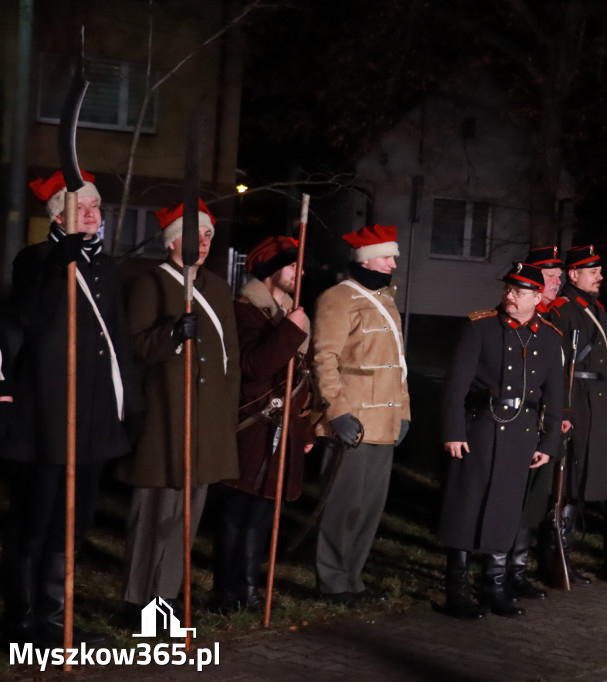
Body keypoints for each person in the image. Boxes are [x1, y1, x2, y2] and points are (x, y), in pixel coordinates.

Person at [1, 170, 143, 645]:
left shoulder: (104, 267)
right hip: (44, 420)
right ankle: (22, 619)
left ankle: (55, 617)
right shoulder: (35, 259)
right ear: (57, 214)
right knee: (34, 525)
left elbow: (115, 341)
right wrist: (55, 266)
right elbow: (25, 318)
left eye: (95, 208)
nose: (91, 215)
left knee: (74, 527)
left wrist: (130, 404)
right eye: (81, 208)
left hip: (92, 421)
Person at [119, 199, 241, 623]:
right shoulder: (151, 284)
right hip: (165, 417)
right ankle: (137, 601)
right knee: (154, 513)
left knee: (188, 516)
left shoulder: (217, 287)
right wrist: (170, 334)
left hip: (205, 420)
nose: (204, 243)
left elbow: (230, 359)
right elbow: (133, 348)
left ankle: (165, 599)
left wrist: (225, 414)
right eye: (195, 235)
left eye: (208, 235)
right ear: (173, 241)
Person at [438, 262, 563, 618]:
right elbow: (455, 387)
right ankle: (457, 590)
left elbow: (554, 398)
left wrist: (548, 444)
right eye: (508, 289)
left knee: (506, 512)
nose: (510, 296)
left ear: (537, 298)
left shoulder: (549, 337)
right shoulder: (480, 327)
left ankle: (494, 587)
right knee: (466, 508)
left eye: (519, 292)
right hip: (479, 429)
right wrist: (453, 432)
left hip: (521, 435)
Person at [212, 236, 315, 613]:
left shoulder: (289, 310)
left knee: (261, 514)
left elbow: (300, 380)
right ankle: (226, 591)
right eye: (292, 266)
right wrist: (290, 330)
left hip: (282, 427)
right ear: (272, 271)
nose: (299, 273)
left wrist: (304, 430)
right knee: (237, 513)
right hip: (251, 427)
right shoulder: (246, 312)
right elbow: (255, 367)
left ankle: (250, 588)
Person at [311, 224, 410, 606]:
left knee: (369, 508)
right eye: (387, 256)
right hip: (352, 422)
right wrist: (337, 412)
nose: (392, 263)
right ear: (367, 259)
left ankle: (353, 578)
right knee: (342, 506)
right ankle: (333, 581)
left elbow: (397, 365)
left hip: (384, 423)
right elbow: (324, 359)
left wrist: (403, 412)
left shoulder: (386, 301)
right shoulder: (338, 299)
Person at [548, 245, 607, 583]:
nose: (600, 277)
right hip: (576, 402)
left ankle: (564, 555)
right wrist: (563, 409)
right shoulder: (563, 309)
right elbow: (558, 366)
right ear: (574, 275)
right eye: (594, 272)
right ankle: (555, 557)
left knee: (579, 483)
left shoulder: (597, 309)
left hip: (596, 403)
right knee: (565, 481)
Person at [508, 246, 564, 600]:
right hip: (515, 420)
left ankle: (517, 567)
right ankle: (501, 570)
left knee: (532, 501)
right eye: (549, 276)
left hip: (543, 425)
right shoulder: (514, 318)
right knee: (510, 498)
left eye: (559, 276)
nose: (555, 282)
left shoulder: (555, 321)